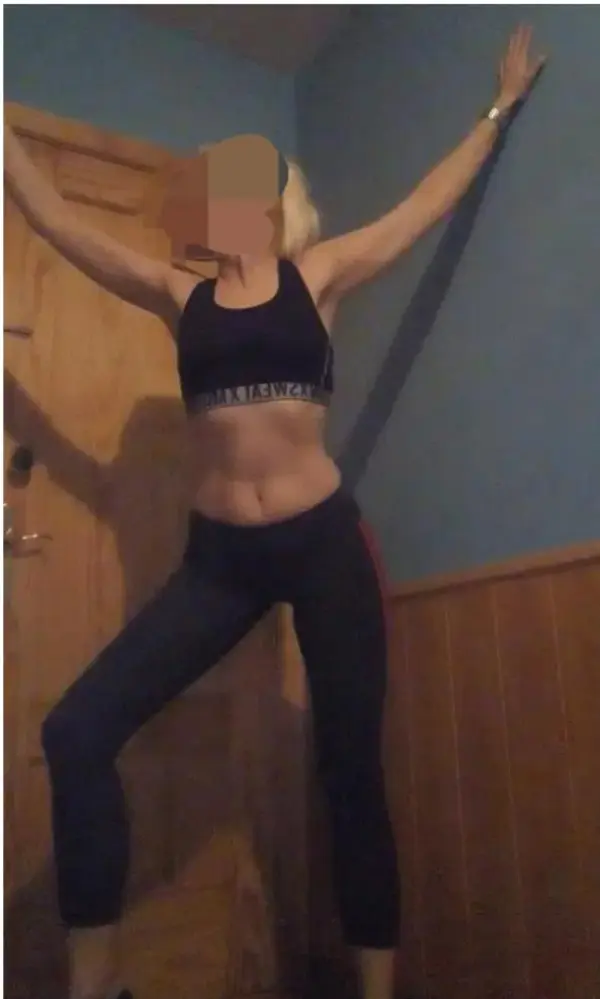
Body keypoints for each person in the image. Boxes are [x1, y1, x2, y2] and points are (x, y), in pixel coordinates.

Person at [4, 25, 544, 999]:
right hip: (222, 562)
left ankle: (375, 989)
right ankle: (96, 983)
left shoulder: (319, 275)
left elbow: (424, 206)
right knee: (78, 730)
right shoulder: (177, 293)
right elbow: (55, 222)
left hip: (323, 544)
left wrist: (498, 111)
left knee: (349, 767)